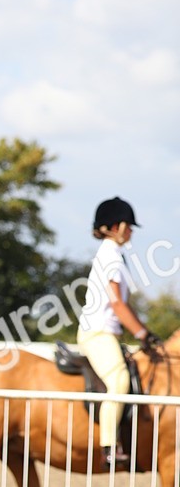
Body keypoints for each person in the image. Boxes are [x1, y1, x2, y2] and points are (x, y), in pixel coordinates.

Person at [76, 197, 161, 469]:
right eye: (129, 226)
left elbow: (124, 306)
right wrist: (142, 334)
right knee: (119, 380)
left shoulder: (113, 255)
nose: (132, 231)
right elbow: (117, 304)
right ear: (115, 226)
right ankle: (109, 448)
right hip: (97, 334)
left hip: (107, 333)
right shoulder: (111, 256)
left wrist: (143, 332)